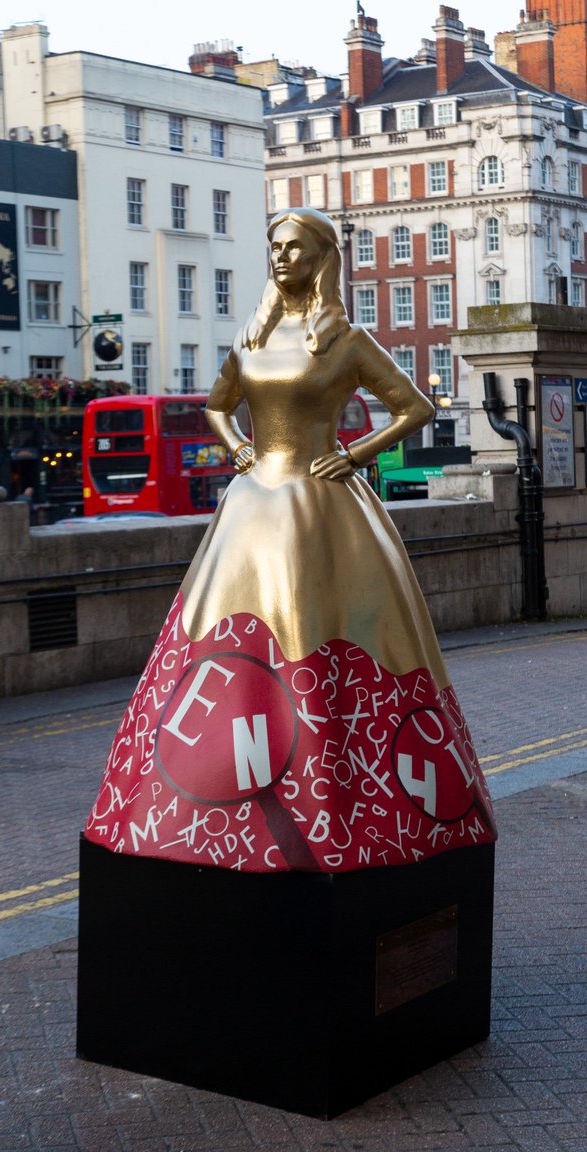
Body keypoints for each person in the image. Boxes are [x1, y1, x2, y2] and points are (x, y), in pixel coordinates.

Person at [84, 208, 496, 872]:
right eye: (273, 246)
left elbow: (415, 406)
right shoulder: (249, 339)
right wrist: (239, 450)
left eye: (295, 247)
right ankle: (224, 789)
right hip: (252, 508)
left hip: (321, 504)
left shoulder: (346, 341)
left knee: (322, 638)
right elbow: (217, 407)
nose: (280, 257)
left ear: (322, 257)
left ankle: (335, 788)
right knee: (232, 641)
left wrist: (356, 452)